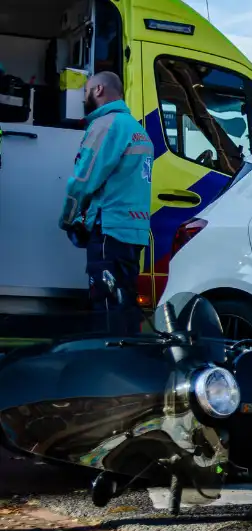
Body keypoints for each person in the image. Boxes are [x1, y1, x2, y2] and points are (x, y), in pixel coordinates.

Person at [57, 71, 153, 335]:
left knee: (107, 309)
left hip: (109, 231)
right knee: (124, 304)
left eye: (87, 89)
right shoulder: (137, 129)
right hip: (133, 234)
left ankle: (109, 367)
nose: (85, 95)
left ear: (99, 90)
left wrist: (68, 220)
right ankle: (128, 361)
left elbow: (81, 181)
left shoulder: (107, 126)